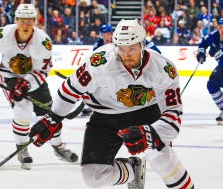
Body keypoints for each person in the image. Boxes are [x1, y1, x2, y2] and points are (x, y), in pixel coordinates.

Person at [29, 19, 195, 189]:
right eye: (121, 48)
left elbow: (173, 115)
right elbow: (70, 89)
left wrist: (151, 133)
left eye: (132, 48)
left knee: (161, 159)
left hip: (146, 112)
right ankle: (133, 170)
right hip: (106, 117)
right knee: (93, 176)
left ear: (143, 44)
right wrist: (54, 117)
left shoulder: (164, 69)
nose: (126, 55)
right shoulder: (98, 62)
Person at [0, 4, 78, 170]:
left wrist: (27, 83)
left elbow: (42, 71)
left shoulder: (43, 42)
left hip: (34, 77)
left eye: (29, 21)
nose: (25, 24)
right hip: (9, 76)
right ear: (16, 20)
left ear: (35, 22)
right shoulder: (3, 35)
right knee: (23, 107)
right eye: (22, 20)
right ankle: (22, 148)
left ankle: (58, 147)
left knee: (50, 115)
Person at [80, 23, 161, 117]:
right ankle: (97, 104)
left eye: (108, 34)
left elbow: (157, 52)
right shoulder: (98, 45)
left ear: (112, 33)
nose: (106, 37)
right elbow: (95, 62)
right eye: (104, 35)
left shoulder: (127, 40)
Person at [196, 18, 223, 125]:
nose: (222, 30)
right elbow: (202, 45)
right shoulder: (212, 36)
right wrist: (201, 54)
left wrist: (219, 54)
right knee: (212, 84)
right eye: (220, 27)